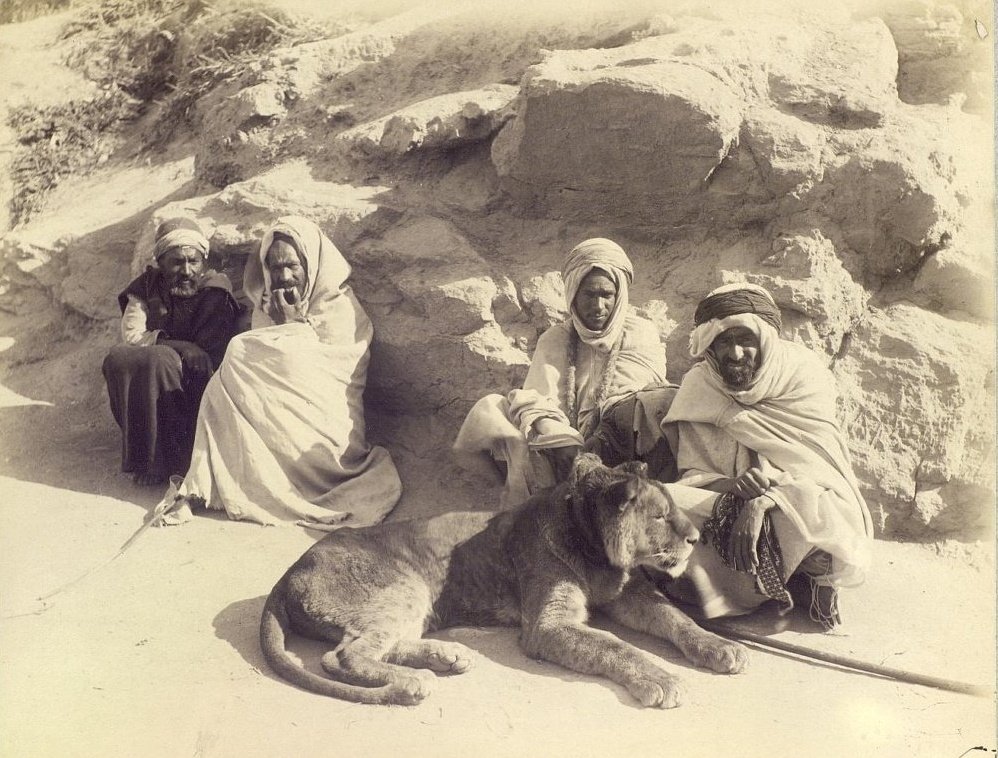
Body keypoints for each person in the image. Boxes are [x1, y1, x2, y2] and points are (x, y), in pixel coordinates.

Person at [163, 215, 401, 528]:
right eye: (276, 268)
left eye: (293, 265)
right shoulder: (268, 308)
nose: (285, 277)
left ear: (312, 265)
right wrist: (283, 325)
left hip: (327, 441)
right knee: (230, 370)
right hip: (276, 434)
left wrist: (292, 328)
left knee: (238, 352)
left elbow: (324, 377)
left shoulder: (339, 309)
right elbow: (263, 387)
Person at [662, 282, 874, 630]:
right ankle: (755, 587)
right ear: (709, 345)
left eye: (745, 339)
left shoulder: (804, 374)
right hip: (724, 499)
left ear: (766, 339)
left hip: (792, 501)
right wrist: (734, 487)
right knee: (662, 500)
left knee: (824, 511)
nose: (735, 354)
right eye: (723, 341)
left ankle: (804, 576)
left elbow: (822, 473)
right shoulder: (701, 384)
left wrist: (763, 502)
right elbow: (693, 474)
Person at [454, 237, 673, 506]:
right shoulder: (554, 338)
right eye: (589, 295)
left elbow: (641, 401)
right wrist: (561, 436)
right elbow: (535, 400)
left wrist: (600, 437)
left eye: (607, 295)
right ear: (572, 293)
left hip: (624, 447)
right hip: (562, 452)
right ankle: (513, 499)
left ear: (619, 296)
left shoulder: (640, 333)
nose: (598, 306)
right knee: (489, 409)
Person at [102, 217, 240, 486]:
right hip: (158, 374)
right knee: (121, 358)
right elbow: (131, 337)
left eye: (194, 261)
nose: (186, 270)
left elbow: (212, 352)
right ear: (160, 263)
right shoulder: (145, 288)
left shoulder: (215, 290)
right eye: (177, 262)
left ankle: (183, 460)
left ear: (204, 262)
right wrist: (181, 347)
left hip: (199, 383)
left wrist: (179, 355)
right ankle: (148, 461)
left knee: (160, 359)